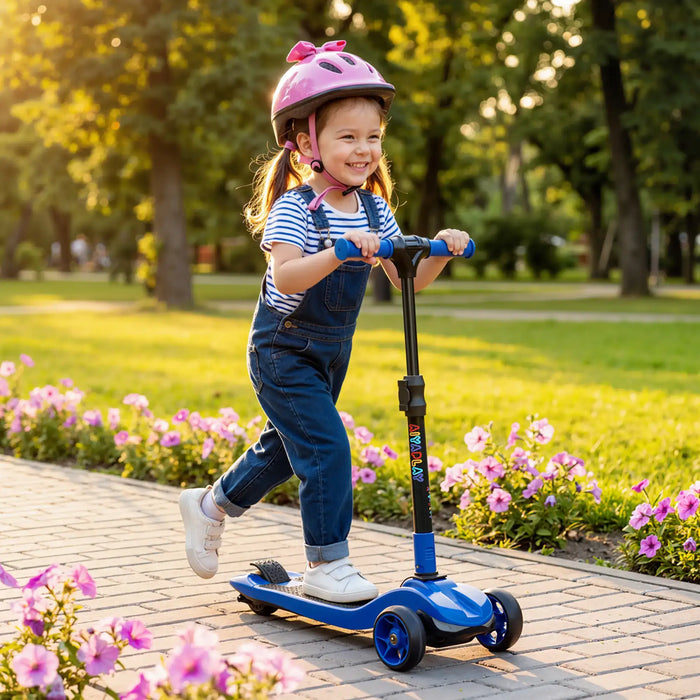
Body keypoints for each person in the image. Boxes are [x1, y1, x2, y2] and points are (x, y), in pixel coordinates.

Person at [179, 40, 470, 603]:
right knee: (328, 448)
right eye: (348, 137)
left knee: (288, 450)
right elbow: (286, 277)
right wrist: (337, 252)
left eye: (373, 138)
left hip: (331, 352)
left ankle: (209, 504)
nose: (365, 150)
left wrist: (440, 251)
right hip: (281, 351)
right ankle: (327, 564)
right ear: (307, 142)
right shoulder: (296, 207)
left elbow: (406, 277)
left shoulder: (373, 208)